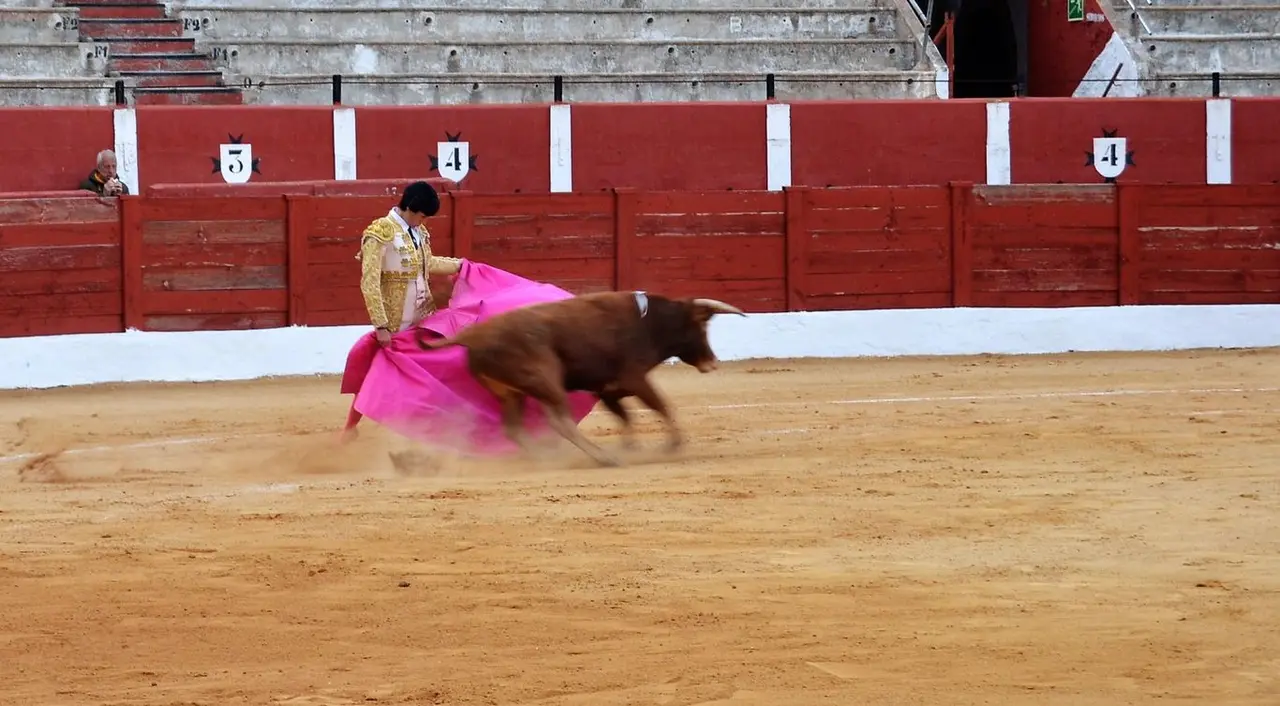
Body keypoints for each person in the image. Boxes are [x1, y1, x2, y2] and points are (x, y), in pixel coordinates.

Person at [338, 180, 598, 455]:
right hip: (394, 321)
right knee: (380, 373)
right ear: (412, 208)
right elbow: (369, 283)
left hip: (424, 316)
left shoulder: (418, 232)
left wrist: (462, 266)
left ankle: (439, 435)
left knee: (444, 366)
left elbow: (428, 263)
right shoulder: (380, 232)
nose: (424, 221)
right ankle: (350, 428)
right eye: (423, 215)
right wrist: (381, 326)